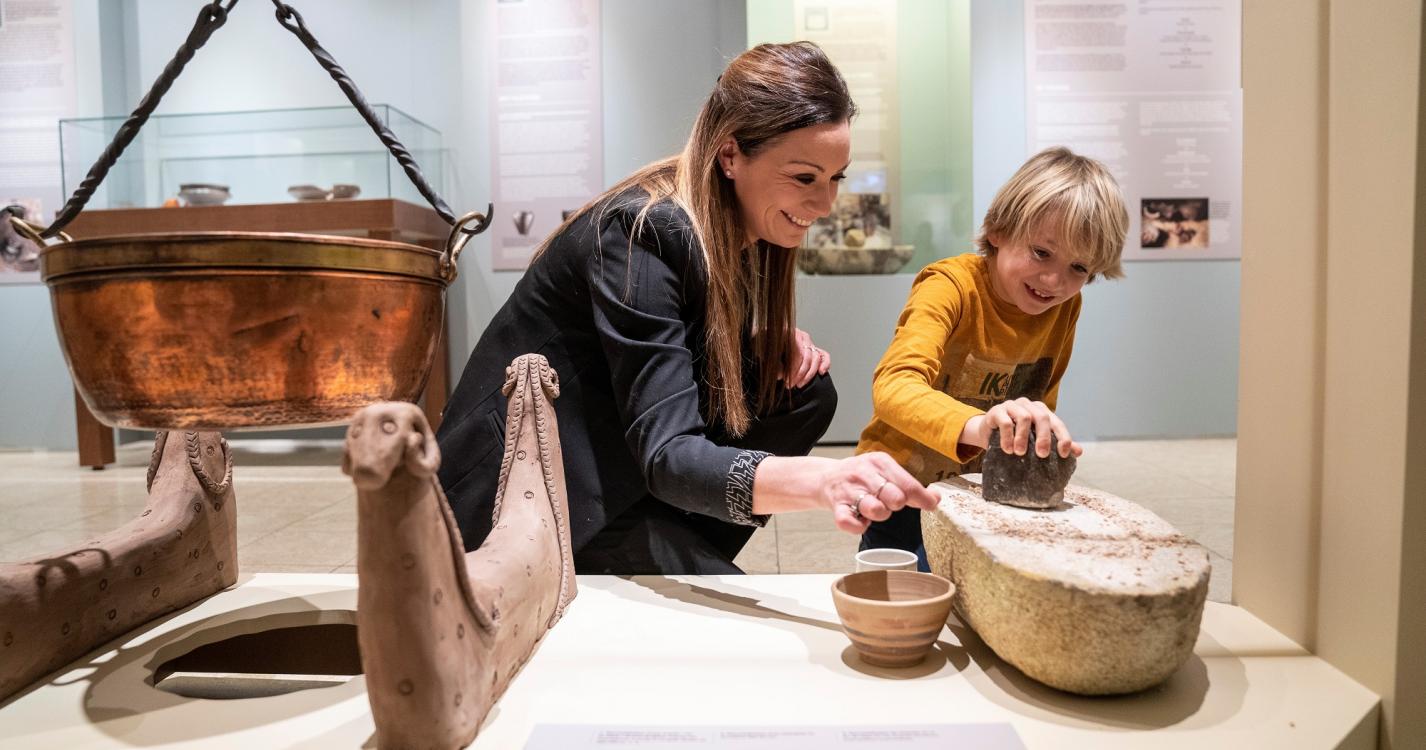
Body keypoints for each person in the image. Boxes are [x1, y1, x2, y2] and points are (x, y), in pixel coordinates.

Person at [436, 42, 939, 575]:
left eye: (836, 178)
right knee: (727, 613)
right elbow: (668, 448)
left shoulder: (739, 224)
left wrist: (750, 342)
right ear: (730, 156)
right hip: (531, 493)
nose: (825, 204)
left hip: (617, 460)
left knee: (803, 393)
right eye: (804, 178)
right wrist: (824, 480)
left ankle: (675, 547)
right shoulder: (642, 233)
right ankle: (661, 555)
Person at [856, 146, 1129, 567]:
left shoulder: (1064, 307)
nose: (1054, 281)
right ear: (999, 230)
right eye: (1041, 253)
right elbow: (894, 386)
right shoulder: (950, 286)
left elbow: (1040, 397)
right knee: (909, 588)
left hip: (983, 489)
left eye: (1079, 268)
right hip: (902, 486)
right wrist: (980, 426)